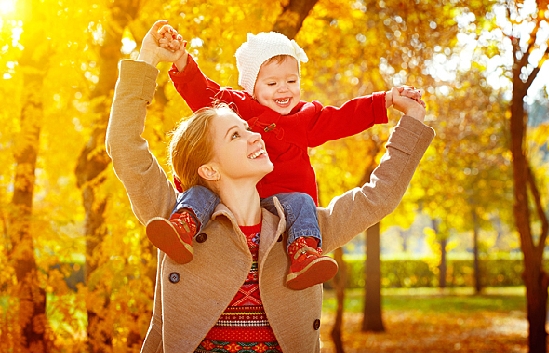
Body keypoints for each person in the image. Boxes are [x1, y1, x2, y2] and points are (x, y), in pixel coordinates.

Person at [106, 20, 434, 353]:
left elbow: (379, 195)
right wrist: (148, 59)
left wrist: (410, 120)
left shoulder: (302, 231)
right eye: (236, 134)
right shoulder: (172, 222)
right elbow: (125, 145)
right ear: (209, 167)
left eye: (249, 129)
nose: (257, 134)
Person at [146, 24, 424, 290]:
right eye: (272, 82)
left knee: (303, 202)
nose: (284, 89)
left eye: (292, 80)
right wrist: (181, 59)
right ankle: (182, 227)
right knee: (200, 191)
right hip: (235, 202)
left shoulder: (305, 118)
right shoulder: (236, 108)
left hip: (285, 205)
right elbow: (203, 92)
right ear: (251, 87)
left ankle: (303, 252)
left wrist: (386, 99)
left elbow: (344, 117)